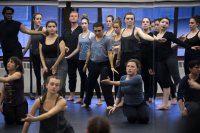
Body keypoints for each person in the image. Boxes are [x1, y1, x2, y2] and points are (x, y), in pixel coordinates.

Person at [154, 17, 196, 110]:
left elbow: (179, 42)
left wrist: (190, 48)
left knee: (177, 79)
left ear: (168, 25)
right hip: (160, 61)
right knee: (164, 82)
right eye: (163, 22)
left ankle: (186, 101)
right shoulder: (155, 35)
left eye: (167, 23)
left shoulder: (169, 34)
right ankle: (165, 104)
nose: (164, 24)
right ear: (159, 23)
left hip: (170, 58)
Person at [66, 14, 102, 105]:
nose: (84, 25)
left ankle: (99, 98)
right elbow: (78, 49)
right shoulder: (80, 35)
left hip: (90, 60)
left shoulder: (92, 35)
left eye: (85, 23)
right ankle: (81, 98)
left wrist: (89, 61)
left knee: (92, 79)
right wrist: (69, 56)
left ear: (88, 24)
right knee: (83, 79)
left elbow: (94, 48)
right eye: (82, 23)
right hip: (80, 60)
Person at [101, 59, 149, 124]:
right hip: (128, 104)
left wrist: (109, 82)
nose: (129, 68)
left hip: (140, 104)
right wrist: (115, 105)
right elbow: (119, 93)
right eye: (128, 66)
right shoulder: (123, 77)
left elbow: (123, 83)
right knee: (132, 119)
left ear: (137, 69)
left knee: (144, 119)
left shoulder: (138, 78)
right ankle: (132, 112)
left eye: (132, 67)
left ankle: (139, 112)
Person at [81, 22, 117, 109]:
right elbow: (89, 51)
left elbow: (110, 53)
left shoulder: (107, 39)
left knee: (104, 83)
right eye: (95, 31)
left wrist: (112, 66)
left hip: (104, 64)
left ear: (103, 30)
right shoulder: (92, 39)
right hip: (93, 63)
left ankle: (110, 104)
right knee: (90, 83)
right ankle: (87, 102)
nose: (97, 32)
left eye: (99, 31)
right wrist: (86, 63)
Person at [0, 6, 45, 73]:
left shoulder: (16, 24)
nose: (9, 15)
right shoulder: (0, 24)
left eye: (11, 14)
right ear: (4, 14)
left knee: (17, 70)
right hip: (5, 51)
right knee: (9, 71)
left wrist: (41, 32)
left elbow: (27, 31)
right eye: (7, 13)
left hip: (15, 50)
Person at [39, 20, 67, 96]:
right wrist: (44, 66)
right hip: (46, 62)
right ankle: (45, 103)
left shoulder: (60, 39)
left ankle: (60, 104)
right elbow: (41, 54)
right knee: (47, 84)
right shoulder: (42, 40)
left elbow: (62, 53)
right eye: (49, 27)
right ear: (46, 28)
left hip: (60, 62)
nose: (52, 28)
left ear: (56, 28)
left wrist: (55, 65)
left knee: (60, 84)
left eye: (54, 26)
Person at [23, 13, 46, 96]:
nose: (39, 20)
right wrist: (23, 53)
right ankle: (39, 94)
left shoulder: (43, 29)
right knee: (37, 75)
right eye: (37, 18)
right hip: (34, 54)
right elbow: (29, 43)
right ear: (34, 20)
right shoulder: (32, 30)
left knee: (45, 74)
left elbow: (49, 40)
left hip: (42, 55)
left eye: (40, 18)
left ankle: (46, 93)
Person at [0, 56, 28, 125]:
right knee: (9, 122)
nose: (8, 63)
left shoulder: (18, 74)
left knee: (20, 122)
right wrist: (0, 103)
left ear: (17, 66)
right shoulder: (5, 76)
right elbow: (3, 92)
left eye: (11, 62)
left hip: (20, 103)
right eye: (8, 62)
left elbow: (7, 80)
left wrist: (4, 79)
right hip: (8, 104)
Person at [62, 11, 83, 101]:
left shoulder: (81, 29)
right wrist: (65, 47)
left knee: (83, 77)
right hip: (69, 57)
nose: (73, 17)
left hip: (80, 57)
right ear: (69, 18)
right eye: (72, 16)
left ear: (78, 18)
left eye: (75, 16)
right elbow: (62, 42)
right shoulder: (66, 30)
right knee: (71, 76)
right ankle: (71, 95)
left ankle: (82, 96)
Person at [140, 17, 155, 102]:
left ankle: (149, 96)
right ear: (141, 24)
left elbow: (152, 51)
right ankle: (144, 97)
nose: (145, 23)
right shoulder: (139, 35)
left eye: (147, 22)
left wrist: (151, 65)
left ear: (149, 24)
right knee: (143, 80)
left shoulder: (153, 35)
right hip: (140, 62)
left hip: (149, 62)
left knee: (149, 80)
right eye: (143, 22)